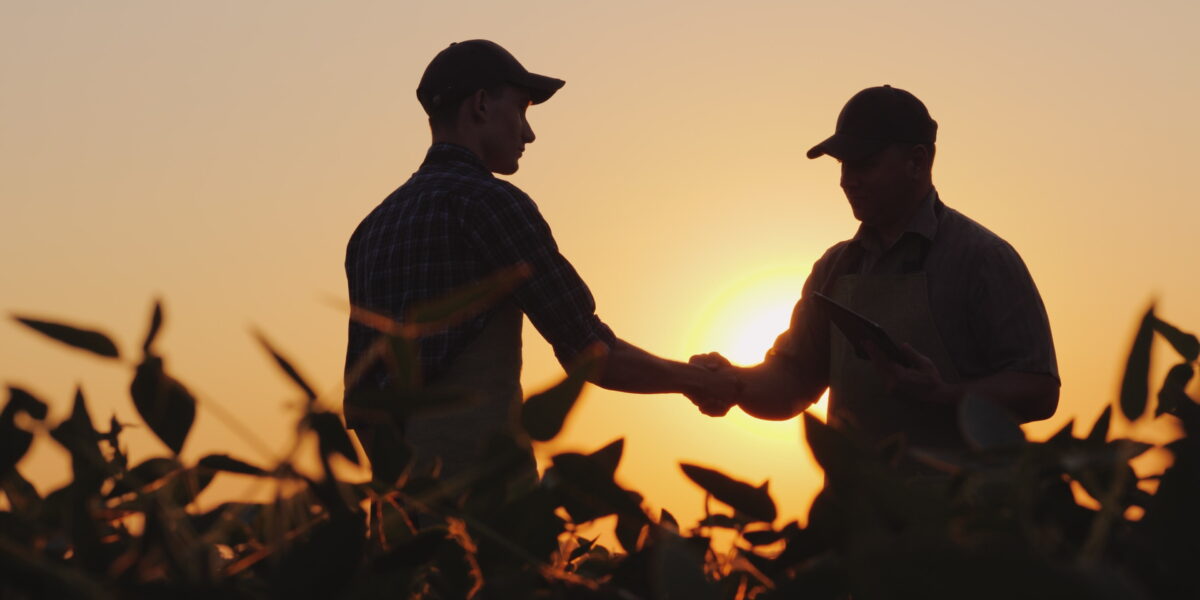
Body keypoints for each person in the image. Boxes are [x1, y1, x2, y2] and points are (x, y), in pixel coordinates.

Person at [343, 40, 735, 485]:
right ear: (481, 104)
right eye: (522, 109)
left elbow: (360, 403)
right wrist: (700, 381)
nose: (529, 134)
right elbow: (591, 352)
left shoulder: (369, 230)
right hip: (485, 505)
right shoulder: (490, 205)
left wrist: (404, 495)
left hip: (399, 513)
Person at [689, 85, 1059, 462]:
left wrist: (944, 395)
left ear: (917, 162)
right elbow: (791, 385)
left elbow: (1040, 391)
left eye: (864, 164)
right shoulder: (833, 269)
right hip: (856, 500)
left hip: (960, 499)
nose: (847, 180)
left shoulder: (983, 260)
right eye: (843, 165)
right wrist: (731, 382)